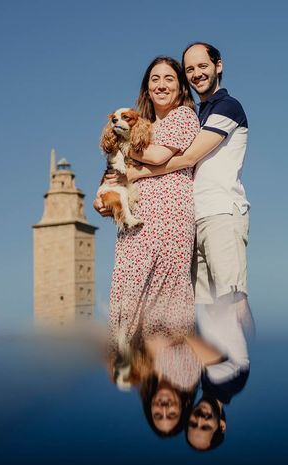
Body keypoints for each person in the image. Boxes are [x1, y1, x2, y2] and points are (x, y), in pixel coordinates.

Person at [123, 43, 252, 374]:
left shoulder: (227, 106)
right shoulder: (201, 111)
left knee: (232, 298)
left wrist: (136, 168)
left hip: (222, 212)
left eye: (202, 66)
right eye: (190, 69)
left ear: (218, 66)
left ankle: (244, 369)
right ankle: (219, 378)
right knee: (209, 309)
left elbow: (187, 158)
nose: (196, 73)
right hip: (196, 217)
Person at [93, 57, 201, 344]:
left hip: (170, 215)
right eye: (155, 79)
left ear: (180, 88)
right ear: (147, 88)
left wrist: (122, 149)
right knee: (130, 288)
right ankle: (134, 367)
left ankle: (171, 371)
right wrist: (105, 199)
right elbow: (114, 171)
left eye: (169, 79)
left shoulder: (184, 117)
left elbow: (156, 156)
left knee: (166, 287)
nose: (162, 85)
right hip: (135, 221)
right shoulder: (141, 124)